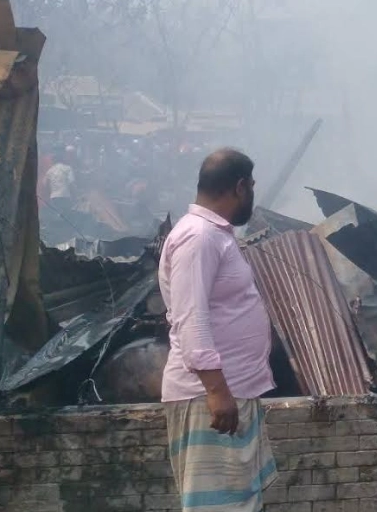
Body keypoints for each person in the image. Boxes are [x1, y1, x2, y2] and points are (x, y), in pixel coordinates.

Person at [159, 149, 277, 512]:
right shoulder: (199, 238)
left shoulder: (213, 235)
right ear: (240, 187)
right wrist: (216, 391)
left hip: (230, 390)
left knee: (238, 502)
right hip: (208, 397)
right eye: (252, 188)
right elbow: (190, 317)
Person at [44, 146, 77, 213]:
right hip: (65, 196)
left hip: (54, 198)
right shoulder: (68, 168)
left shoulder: (50, 170)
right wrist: (75, 196)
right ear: (63, 159)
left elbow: (45, 185)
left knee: (57, 215)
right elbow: (71, 184)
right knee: (66, 215)